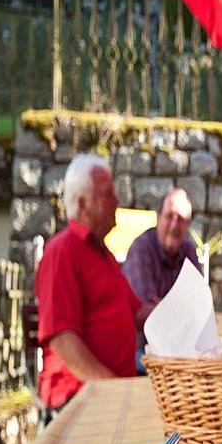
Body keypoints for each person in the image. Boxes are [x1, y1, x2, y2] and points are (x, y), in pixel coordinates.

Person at [35, 154, 152, 419]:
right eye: (107, 194)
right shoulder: (62, 251)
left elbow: (137, 312)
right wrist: (116, 390)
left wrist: (181, 313)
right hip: (80, 400)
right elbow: (63, 340)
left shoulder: (103, 254)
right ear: (83, 204)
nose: (116, 201)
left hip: (109, 393)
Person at [122, 188, 201, 371]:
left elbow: (198, 308)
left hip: (180, 354)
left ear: (188, 224)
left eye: (181, 219)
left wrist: (165, 308)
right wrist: (182, 311)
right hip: (144, 354)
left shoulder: (188, 251)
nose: (174, 225)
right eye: (169, 216)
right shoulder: (141, 249)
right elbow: (145, 315)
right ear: (159, 218)